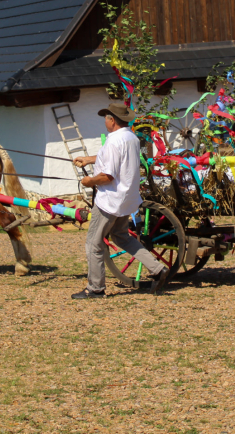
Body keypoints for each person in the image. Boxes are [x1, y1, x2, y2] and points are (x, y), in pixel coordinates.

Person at [71, 103, 168, 299]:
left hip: (110, 200)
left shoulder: (114, 141)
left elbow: (108, 176)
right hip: (126, 198)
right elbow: (114, 158)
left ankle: (95, 288)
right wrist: (89, 160)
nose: (104, 121)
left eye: (105, 118)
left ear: (112, 120)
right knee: (122, 237)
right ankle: (157, 269)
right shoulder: (131, 137)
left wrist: (89, 180)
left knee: (93, 242)